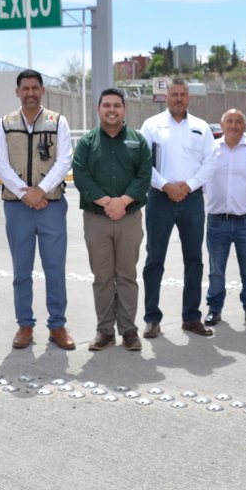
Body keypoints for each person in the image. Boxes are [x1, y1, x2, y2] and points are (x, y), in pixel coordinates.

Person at [0, 69, 75, 351]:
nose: (30, 93)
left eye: (34, 88)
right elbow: (0, 163)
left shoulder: (57, 122)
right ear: (17, 92)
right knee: (21, 270)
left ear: (42, 90)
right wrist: (24, 194)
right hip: (18, 207)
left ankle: (58, 325)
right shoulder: (4, 124)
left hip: (50, 205)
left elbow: (65, 160)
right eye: (25, 88)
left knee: (55, 268)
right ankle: (25, 325)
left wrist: (40, 191)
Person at [71, 88, 152, 352]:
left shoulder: (138, 141)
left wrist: (123, 202)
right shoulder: (87, 142)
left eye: (117, 105)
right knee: (103, 277)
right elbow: (81, 176)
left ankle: (129, 331)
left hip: (129, 217)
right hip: (97, 218)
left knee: (127, 275)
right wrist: (108, 202)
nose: (112, 110)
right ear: (98, 109)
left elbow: (144, 176)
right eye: (106, 105)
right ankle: (104, 330)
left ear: (124, 109)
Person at [139, 78, 216, 339]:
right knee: (154, 259)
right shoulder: (151, 126)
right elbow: (143, 163)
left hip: (192, 199)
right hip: (159, 198)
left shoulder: (201, 127)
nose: (178, 98)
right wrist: (165, 186)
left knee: (194, 260)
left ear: (189, 98)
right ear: (166, 96)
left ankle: (191, 317)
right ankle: (151, 318)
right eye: (174, 94)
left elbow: (210, 162)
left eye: (183, 94)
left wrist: (189, 186)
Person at [203, 108, 246, 329]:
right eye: (229, 121)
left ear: (245, 125)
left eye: (238, 121)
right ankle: (214, 310)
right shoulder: (210, 150)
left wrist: (244, 199)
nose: (233, 125)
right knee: (216, 270)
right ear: (221, 126)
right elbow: (202, 181)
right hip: (216, 220)